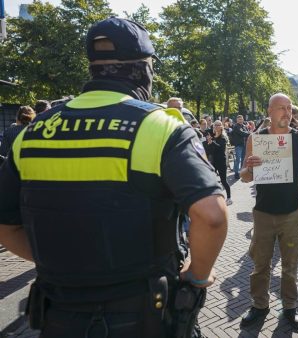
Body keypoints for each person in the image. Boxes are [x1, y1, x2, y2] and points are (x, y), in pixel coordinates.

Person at [0, 17, 228, 338]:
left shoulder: (34, 132)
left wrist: (64, 259)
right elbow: (212, 215)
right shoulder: (160, 126)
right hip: (144, 312)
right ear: (144, 68)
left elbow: (6, 226)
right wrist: (197, 278)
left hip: (59, 315)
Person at [239, 93, 298, 330]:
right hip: (262, 213)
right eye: (281, 108)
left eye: (289, 108)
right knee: (260, 264)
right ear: (269, 111)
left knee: (290, 265)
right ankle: (260, 305)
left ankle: (290, 307)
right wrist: (248, 169)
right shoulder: (256, 138)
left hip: (291, 213)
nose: (287, 112)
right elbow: (245, 177)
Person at [206, 120, 233, 205]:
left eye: (218, 125)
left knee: (223, 181)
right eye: (215, 125)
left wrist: (212, 143)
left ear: (221, 127)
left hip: (221, 161)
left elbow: (220, 149)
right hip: (213, 162)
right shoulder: (213, 137)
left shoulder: (223, 137)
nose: (216, 126)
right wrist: (209, 144)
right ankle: (213, 197)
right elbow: (211, 150)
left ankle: (229, 198)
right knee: (210, 180)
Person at [231, 114, 250, 179]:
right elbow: (242, 133)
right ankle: (236, 173)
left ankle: (241, 172)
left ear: (243, 119)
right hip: (238, 145)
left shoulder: (244, 126)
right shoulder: (236, 126)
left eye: (241, 119)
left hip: (244, 145)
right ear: (237, 120)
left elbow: (246, 132)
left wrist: (248, 133)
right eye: (239, 119)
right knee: (238, 159)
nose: (240, 120)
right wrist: (249, 133)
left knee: (243, 159)